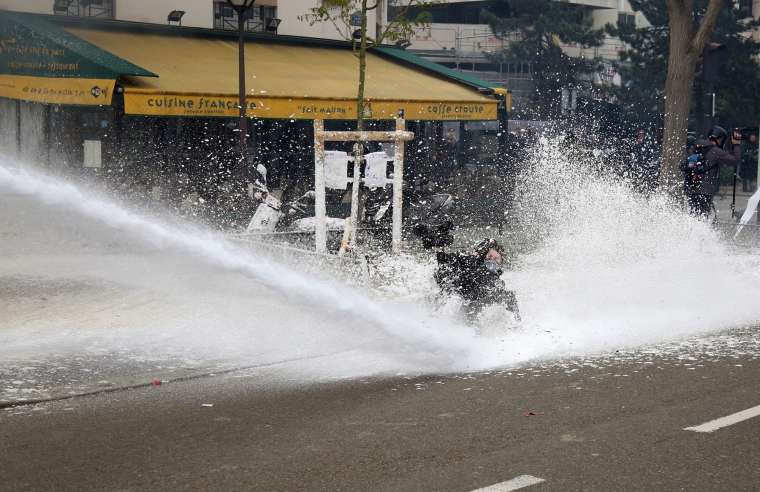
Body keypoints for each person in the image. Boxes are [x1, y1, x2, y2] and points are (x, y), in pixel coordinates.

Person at [434, 238, 520, 322]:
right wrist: (440, 249)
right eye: (489, 257)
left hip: (475, 307)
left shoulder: (497, 281)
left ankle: (514, 324)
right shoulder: (470, 262)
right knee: (454, 300)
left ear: (501, 262)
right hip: (458, 296)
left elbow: (503, 296)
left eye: (496, 259)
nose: (492, 261)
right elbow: (446, 260)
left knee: (508, 297)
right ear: (483, 256)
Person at [681, 125, 740, 218]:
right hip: (705, 191)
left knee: (694, 216)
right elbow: (734, 160)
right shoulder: (715, 151)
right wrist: (736, 144)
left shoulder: (696, 147)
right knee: (702, 219)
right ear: (719, 139)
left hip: (691, 189)